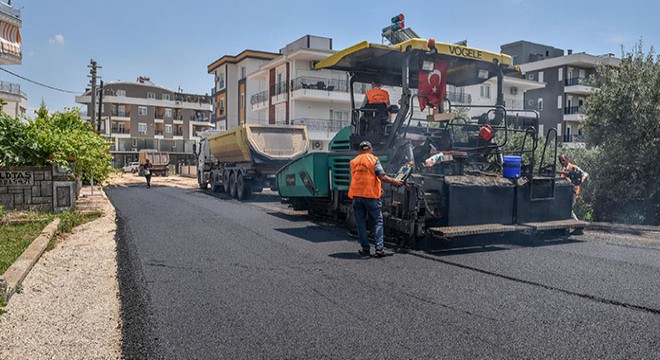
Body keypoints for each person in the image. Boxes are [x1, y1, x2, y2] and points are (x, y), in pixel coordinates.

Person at [348, 141, 404, 257]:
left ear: (359, 151)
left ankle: (365, 249)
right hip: (370, 197)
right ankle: (379, 249)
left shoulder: (353, 162)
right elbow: (381, 176)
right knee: (378, 221)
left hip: (357, 196)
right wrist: (395, 181)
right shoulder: (373, 160)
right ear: (371, 150)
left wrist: (378, 188)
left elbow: (360, 178)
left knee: (361, 223)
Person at [559, 154, 588, 220]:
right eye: (560, 161)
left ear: (567, 159)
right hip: (566, 192)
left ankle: (578, 225)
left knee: (568, 209)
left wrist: (581, 180)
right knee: (565, 209)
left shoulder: (573, 167)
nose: (562, 162)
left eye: (563, 160)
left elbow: (585, 174)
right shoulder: (563, 169)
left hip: (573, 191)